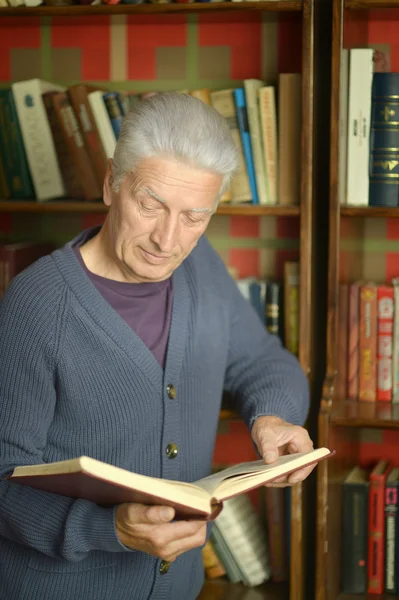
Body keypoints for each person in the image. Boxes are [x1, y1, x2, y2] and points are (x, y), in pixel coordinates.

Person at [0, 92, 313, 600]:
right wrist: (110, 530)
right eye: (151, 205)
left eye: (195, 217)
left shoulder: (201, 265)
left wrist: (272, 418)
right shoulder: (36, 305)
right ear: (110, 183)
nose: (167, 241)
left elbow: (262, 359)